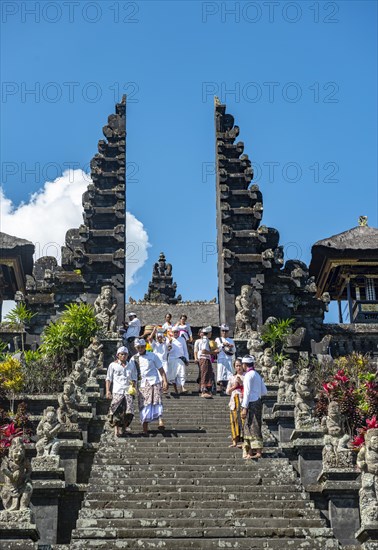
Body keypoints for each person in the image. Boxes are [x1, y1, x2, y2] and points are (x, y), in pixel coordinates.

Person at [129, 338, 169, 435]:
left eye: (142, 347)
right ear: (136, 348)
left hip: (153, 381)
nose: (141, 349)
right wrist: (132, 385)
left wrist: (165, 380)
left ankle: (160, 421)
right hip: (141, 384)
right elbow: (131, 374)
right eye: (138, 347)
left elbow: (161, 369)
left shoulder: (152, 355)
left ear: (145, 347)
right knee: (144, 405)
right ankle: (145, 428)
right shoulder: (133, 359)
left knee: (157, 400)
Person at [105, 346, 137, 437]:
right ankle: (116, 429)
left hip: (128, 391)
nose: (123, 356)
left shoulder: (131, 365)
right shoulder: (113, 365)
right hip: (117, 391)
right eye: (121, 354)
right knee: (116, 410)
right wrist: (108, 391)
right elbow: (108, 379)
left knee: (128, 411)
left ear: (127, 355)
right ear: (117, 355)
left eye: (125, 354)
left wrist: (133, 386)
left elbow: (134, 378)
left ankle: (124, 429)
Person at [241, 355, 267, 459]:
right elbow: (264, 391)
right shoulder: (257, 374)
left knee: (250, 426)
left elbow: (246, 392)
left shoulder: (248, 375)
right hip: (258, 401)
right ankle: (251, 451)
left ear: (244, 364)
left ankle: (257, 452)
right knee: (255, 425)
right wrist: (257, 393)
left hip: (250, 402)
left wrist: (244, 407)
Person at [226, 358, 244, 448]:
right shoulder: (232, 378)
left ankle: (243, 441)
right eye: (236, 366)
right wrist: (234, 387)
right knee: (234, 420)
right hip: (233, 401)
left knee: (242, 420)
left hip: (242, 400)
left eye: (240, 365)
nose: (238, 367)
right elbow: (227, 391)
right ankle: (234, 441)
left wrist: (241, 383)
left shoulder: (246, 376)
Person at [167, 326, 189, 394]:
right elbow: (168, 350)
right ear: (172, 333)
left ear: (179, 332)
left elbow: (185, 350)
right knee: (173, 375)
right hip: (172, 359)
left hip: (180, 359)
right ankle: (175, 389)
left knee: (182, 373)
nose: (176, 333)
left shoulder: (182, 339)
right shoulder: (169, 340)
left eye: (177, 332)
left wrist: (187, 359)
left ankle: (182, 387)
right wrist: (170, 343)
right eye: (174, 332)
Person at [215, 324, 235, 394]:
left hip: (228, 358)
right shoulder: (218, 339)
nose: (224, 332)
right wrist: (223, 344)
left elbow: (234, 350)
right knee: (220, 372)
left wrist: (230, 346)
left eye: (226, 331)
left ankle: (228, 387)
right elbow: (216, 348)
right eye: (223, 331)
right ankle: (220, 386)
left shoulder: (231, 340)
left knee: (229, 373)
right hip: (221, 358)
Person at [196, 326, 215, 399]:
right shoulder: (205, 340)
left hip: (206, 358)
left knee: (207, 374)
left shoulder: (205, 339)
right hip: (204, 358)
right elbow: (204, 350)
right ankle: (203, 391)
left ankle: (206, 389)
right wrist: (213, 352)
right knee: (204, 374)